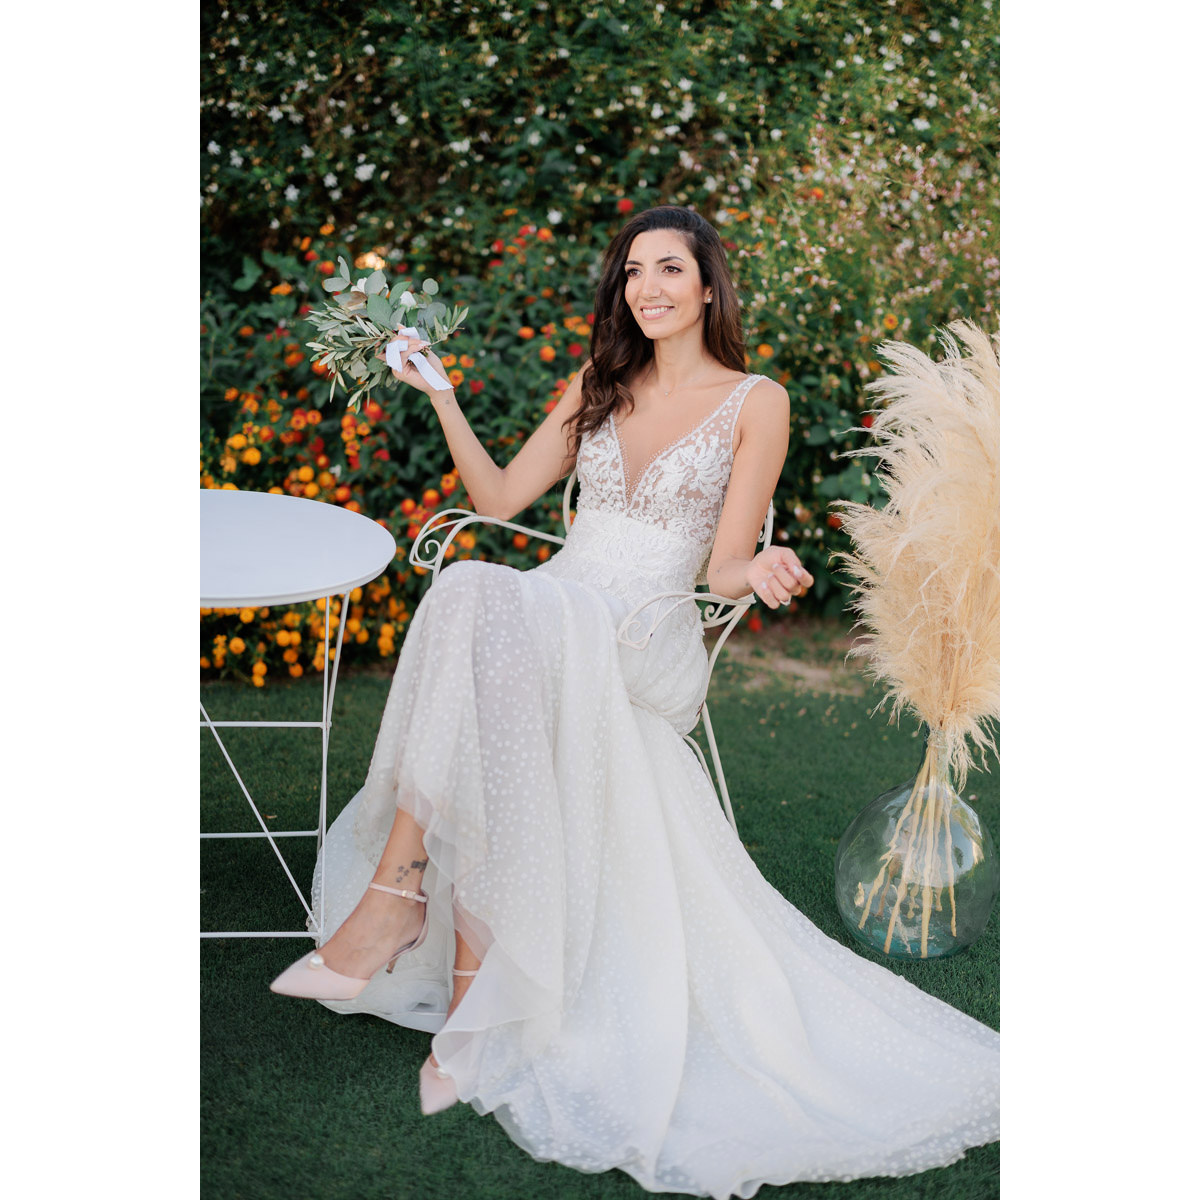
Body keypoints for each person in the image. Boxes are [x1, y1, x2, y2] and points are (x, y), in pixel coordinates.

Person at [270, 206, 999, 1195]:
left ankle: (396, 901)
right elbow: (495, 502)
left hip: (645, 637)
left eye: (670, 269)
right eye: (632, 272)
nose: (648, 287)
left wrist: (768, 565)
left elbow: (729, 563)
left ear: (707, 287)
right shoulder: (596, 387)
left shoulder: (755, 400)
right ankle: (463, 983)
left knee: (480, 598)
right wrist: (441, 395)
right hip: (554, 616)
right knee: (480, 595)